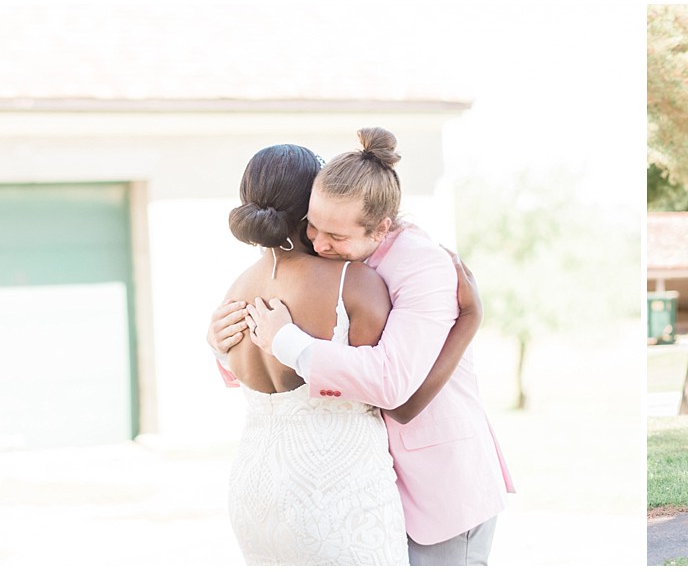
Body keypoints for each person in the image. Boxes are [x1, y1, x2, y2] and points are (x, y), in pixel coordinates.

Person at [215, 127, 514, 565]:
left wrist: (470, 319)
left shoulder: (422, 264)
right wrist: (219, 345)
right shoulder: (328, 264)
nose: (319, 243)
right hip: (354, 487)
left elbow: (397, 392)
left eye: (334, 235)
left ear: (380, 228)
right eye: (313, 227)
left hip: (436, 483)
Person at [216, 143, 405, 565]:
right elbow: (390, 386)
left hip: (253, 492)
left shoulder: (237, 289)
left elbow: (230, 368)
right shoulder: (353, 284)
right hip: (337, 495)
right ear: (311, 207)